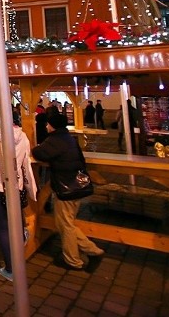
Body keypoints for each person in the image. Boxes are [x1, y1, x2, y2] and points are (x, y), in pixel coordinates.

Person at [32, 114, 104, 271]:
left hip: (66, 187)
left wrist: (35, 147)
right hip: (75, 186)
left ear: (52, 125)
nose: (45, 126)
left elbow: (39, 153)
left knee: (66, 224)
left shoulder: (55, 140)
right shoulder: (68, 138)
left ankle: (79, 258)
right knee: (65, 223)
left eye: (48, 124)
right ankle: (86, 254)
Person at [0, 110, 38, 282]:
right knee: (15, 218)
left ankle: (11, 269)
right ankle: (22, 235)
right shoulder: (23, 136)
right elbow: (26, 158)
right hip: (16, 184)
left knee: (3, 226)